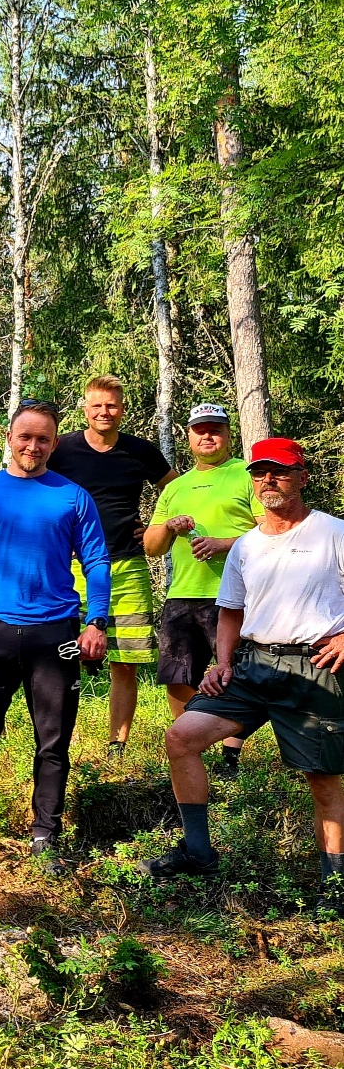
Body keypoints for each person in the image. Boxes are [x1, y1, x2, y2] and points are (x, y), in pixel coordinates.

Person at [139, 439, 344, 916]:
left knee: (323, 780)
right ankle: (198, 851)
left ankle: (335, 886)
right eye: (261, 474)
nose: (268, 480)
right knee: (182, 737)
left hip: (313, 667)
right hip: (251, 667)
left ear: (302, 477)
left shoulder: (333, 532)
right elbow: (229, 612)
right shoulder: (247, 546)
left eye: (280, 472)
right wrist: (224, 663)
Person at [0, 399, 110, 881]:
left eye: (43, 438)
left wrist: (95, 620)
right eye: (25, 436)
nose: (33, 446)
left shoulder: (73, 497)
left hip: (55, 632)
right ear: (9, 438)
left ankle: (44, 840)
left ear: (55, 443)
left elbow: (96, 561)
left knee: (52, 743)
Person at [46, 376, 175, 760]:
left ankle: (117, 743)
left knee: (125, 659)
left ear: (122, 408)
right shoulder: (61, 449)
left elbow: (175, 488)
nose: (105, 412)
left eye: (112, 405)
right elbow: (30, 480)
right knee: (58, 656)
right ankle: (56, 741)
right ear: (85, 408)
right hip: (68, 566)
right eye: (97, 405)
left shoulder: (140, 451)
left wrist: (156, 523)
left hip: (127, 563)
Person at [145, 403, 263, 778]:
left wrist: (224, 544)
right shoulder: (175, 487)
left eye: (215, 429)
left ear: (229, 434)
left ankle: (231, 753)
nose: (207, 435)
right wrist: (169, 527)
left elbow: (272, 531)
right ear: (189, 435)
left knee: (242, 675)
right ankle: (189, 747)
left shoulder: (249, 474)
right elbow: (151, 546)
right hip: (182, 594)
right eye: (200, 429)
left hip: (236, 596)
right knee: (178, 676)